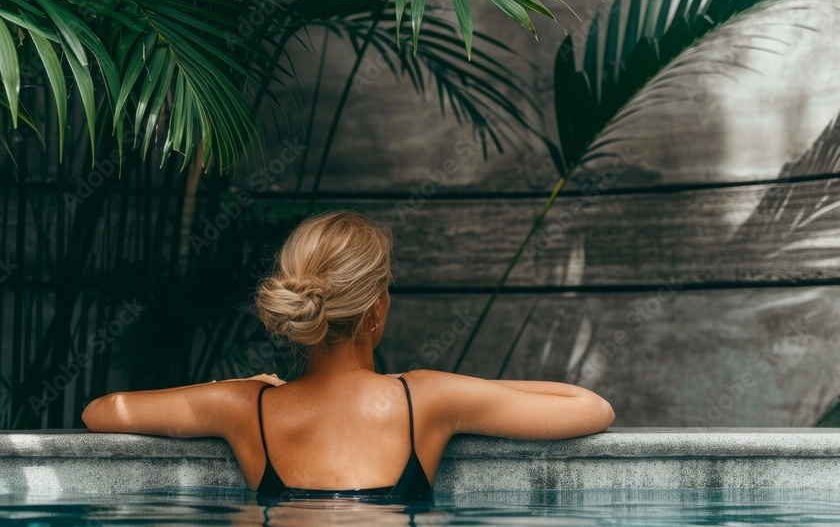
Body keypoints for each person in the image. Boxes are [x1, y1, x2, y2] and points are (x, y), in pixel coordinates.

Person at [82, 210, 615, 501]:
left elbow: (102, 411)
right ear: (377, 310)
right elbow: (589, 406)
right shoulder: (425, 398)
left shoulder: (244, 408)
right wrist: (450, 387)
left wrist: (241, 390)